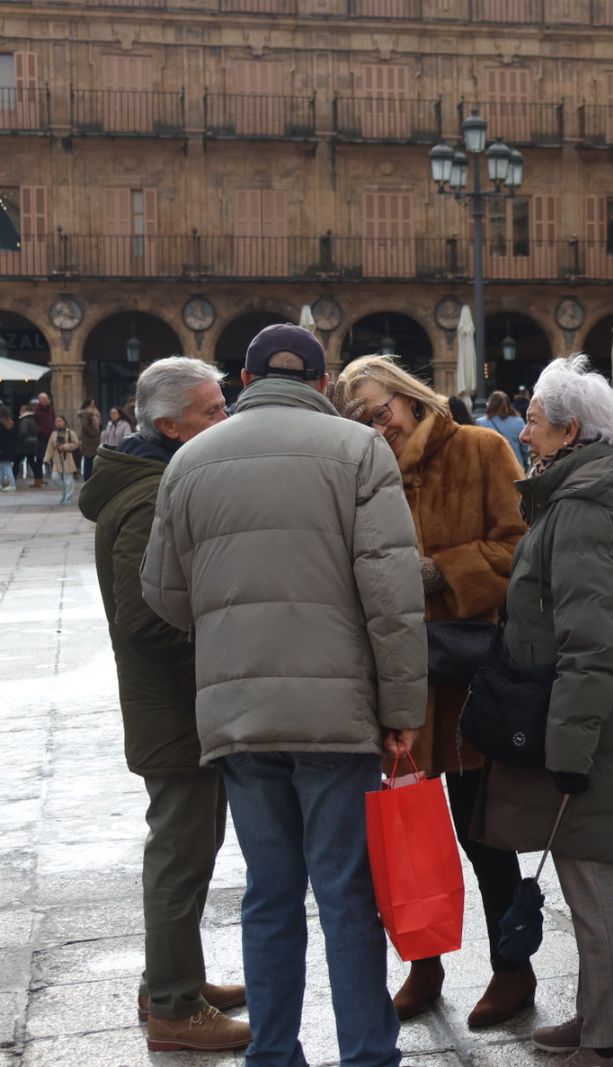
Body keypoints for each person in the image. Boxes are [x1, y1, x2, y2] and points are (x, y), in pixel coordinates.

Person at [141, 323, 427, 1066]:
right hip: (337, 719)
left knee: (268, 894)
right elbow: (393, 598)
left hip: (240, 718)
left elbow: (164, 592)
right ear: (322, 381)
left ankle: (273, 1053)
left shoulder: (190, 460)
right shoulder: (360, 451)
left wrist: (233, 638)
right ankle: (367, 1053)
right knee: (345, 893)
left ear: (243, 375)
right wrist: (401, 711)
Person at [474, 354, 613, 1067]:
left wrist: (570, 749)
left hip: (593, 727)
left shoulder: (582, 509)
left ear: (569, 430)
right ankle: (596, 1016)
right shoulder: (581, 494)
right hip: (594, 721)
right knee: (585, 875)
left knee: (589, 883)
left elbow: (592, 643)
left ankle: (612, 1042)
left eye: (531, 418)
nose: (522, 429)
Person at [334, 354, 534, 1028]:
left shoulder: (481, 448)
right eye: (360, 416)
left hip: (472, 678)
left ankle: (514, 969)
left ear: (409, 396)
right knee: (409, 835)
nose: (374, 424)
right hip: (400, 684)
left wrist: (439, 572)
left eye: (378, 408)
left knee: (486, 834)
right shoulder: (362, 471)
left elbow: (520, 546)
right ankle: (424, 962)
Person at [78, 357, 247, 1052]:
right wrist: (220, 663)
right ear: (170, 424)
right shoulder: (150, 496)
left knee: (196, 847)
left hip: (184, 707)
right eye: (212, 412)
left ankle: (173, 975)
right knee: (180, 855)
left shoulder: (162, 477)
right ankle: (175, 1007)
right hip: (176, 709)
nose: (225, 420)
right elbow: (146, 619)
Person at [479, 389, 531, 467]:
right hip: (514, 468)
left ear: (490, 404)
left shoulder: (480, 423)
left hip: (490, 469)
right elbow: (526, 449)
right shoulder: (518, 422)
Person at [42, 414, 81, 504]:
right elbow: (50, 447)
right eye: (56, 421)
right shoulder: (54, 434)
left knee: (68, 479)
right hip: (57, 459)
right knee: (55, 477)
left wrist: (65, 446)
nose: (58, 423)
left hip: (68, 458)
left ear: (64, 422)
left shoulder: (70, 432)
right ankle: (65, 492)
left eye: (60, 421)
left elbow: (76, 443)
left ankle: (68, 496)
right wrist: (46, 459)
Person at [16, 402, 41, 487]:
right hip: (32, 444)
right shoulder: (33, 419)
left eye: (21, 410)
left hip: (23, 445)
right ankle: (38, 480)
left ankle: (12, 479)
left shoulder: (24, 420)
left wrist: (18, 439)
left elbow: (22, 432)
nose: (20, 412)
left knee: (16, 462)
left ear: (25, 411)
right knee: (32, 462)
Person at [77, 398, 102, 480]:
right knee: (88, 459)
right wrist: (93, 433)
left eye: (93, 404)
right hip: (89, 440)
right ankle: (87, 478)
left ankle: (93, 477)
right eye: (91, 404)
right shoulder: (85, 414)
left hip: (94, 441)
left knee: (94, 459)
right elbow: (85, 426)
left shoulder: (95, 413)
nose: (93, 406)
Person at [0, 401, 15, 492]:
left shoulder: (1, 425)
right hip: (8, 449)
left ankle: (12, 484)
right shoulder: (10, 424)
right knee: (4, 466)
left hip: (2, 449)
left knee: (5, 466)